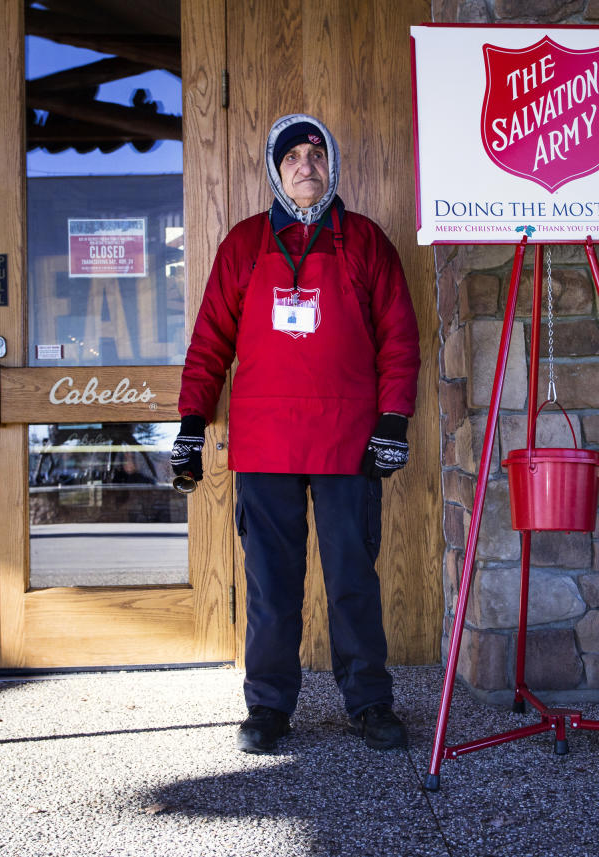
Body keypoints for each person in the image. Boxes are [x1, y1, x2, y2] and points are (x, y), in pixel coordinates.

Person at [171, 114, 421, 755]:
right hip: (265, 441)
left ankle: (370, 703)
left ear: (331, 164)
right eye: (292, 157)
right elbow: (209, 342)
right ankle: (268, 707)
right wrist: (192, 424)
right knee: (271, 586)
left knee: (352, 580)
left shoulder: (365, 240)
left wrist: (393, 419)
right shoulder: (245, 243)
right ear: (275, 170)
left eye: (315, 153)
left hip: (347, 441)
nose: (304, 165)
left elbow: (398, 336)